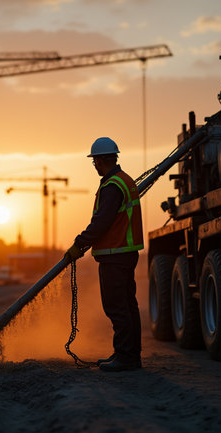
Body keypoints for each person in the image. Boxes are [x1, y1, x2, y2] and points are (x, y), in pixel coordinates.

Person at [65, 137, 144, 372]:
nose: (95, 166)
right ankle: (127, 354)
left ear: (99, 160)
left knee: (116, 307)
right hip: (124, 254)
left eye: (94, 162)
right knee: (128, 306)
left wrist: (79, 244)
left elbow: (101, 222)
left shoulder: (112, 186)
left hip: (115, 255)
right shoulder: (124, 180)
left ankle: (127, 358)